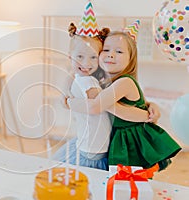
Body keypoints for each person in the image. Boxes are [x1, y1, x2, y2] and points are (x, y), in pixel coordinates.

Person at [66, 20, 181, 170]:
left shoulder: (124, 82)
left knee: (128, 177)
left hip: (130, 141)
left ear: (130, 58)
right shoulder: (103, 79)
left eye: (119, 51)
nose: (111, 55)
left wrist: (69, 102)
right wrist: (150, 107)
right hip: (116, 137)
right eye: (106, 50)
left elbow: (98, 105)